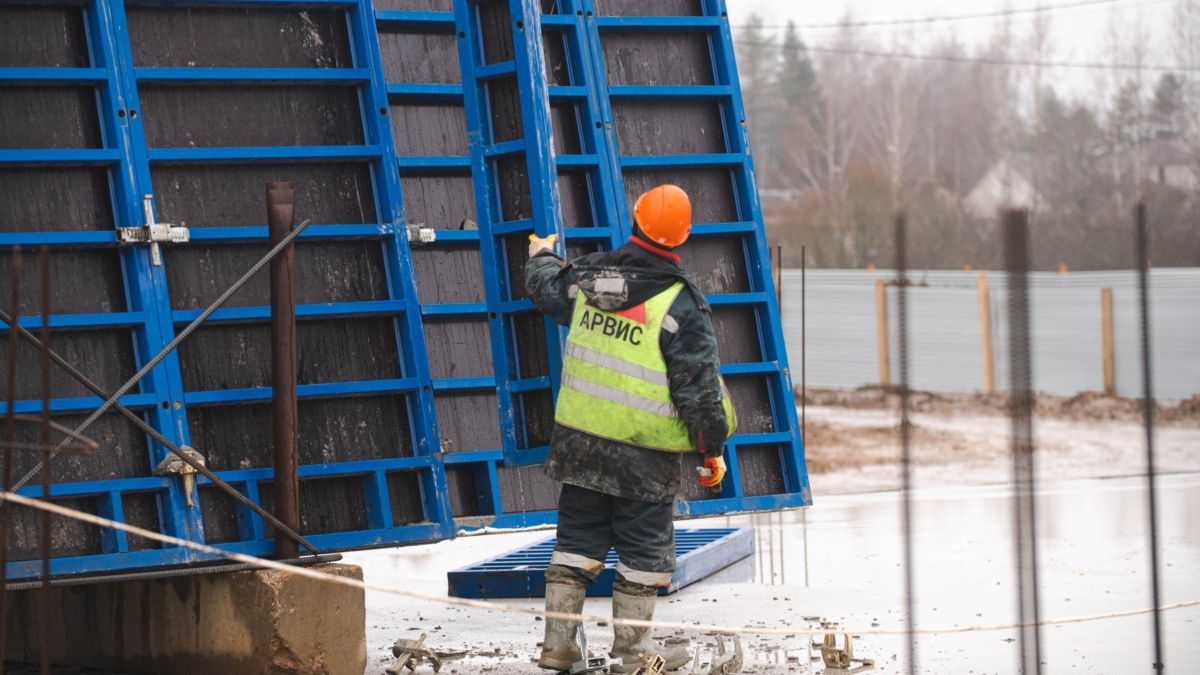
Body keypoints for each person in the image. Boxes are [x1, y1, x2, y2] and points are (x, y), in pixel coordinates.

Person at [525, 184, 737, 672]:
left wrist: (541, 253)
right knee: (643, 555)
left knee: (575, 543)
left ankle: (558, 646)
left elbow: (546, 287)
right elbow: (699, 392)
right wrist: (711, 450)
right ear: (683, 237)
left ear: (636, 220)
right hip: (644, 459)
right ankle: (632, 654)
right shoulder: (680, 305)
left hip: (580, 447)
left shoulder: (587, 278)